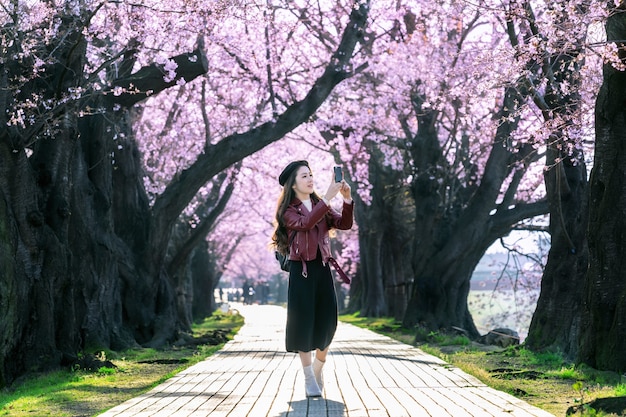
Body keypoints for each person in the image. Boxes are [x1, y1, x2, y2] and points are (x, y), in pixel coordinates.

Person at [271, 160, 354, 397]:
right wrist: (328, 198)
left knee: (328, 322)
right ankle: (308, 377)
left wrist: (347, 199)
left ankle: (318, 367)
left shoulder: (320, 204)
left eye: (311, 174)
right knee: (303, 324)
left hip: (323, 268)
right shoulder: (288, 211)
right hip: (301, 271)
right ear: (293, 184)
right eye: (304, 176)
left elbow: (344, 224)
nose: (310, 179)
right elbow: (305, 224)